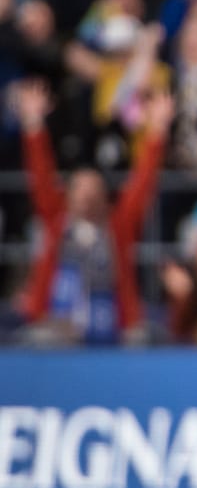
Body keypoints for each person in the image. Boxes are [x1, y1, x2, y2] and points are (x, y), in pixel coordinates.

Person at [14, 77, 173, 345]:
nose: (86, 196)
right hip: (56, 329)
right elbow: (40, 176)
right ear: (68, 194)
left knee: (145, 340)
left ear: (104, 198)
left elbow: (142, 183)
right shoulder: (57, 219)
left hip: (113, 329)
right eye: (80, 189)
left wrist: (157, 130)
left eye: (93, 189)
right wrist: (33, 124)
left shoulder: (117, 226)